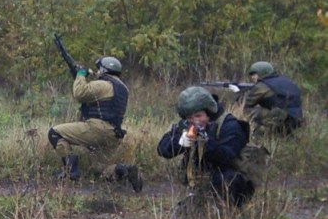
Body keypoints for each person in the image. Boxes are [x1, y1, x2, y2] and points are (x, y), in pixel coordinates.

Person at [46, 56, 143, 191]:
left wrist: (80, 75)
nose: (97, 72)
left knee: (54, 133)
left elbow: (80, 93)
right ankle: (124, 170)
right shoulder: (123, 88)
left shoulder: (104, 84)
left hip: (97, 129)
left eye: (99, 69)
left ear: (104, 70)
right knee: (100, 169)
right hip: (113, 134)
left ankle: (70, 170)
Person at [157, 86, 255, 207]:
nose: (194, 121)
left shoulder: (229, 126)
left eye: (198, 116)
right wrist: (180, 142)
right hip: (202, 183)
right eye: (189, 118)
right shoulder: (188, 124)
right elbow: (162, 150)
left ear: (209, 112)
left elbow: (227, 155)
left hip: (231, 182)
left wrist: (204, 143)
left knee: (226, 179)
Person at [243, 61, 303, 135]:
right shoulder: (286, 81)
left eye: (254, 74)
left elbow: (247, 105)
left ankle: (259, 134)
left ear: (262, 73)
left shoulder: (262, 86)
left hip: (280, 118)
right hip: (297, 118)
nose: (252, 77)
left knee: (248, 111)